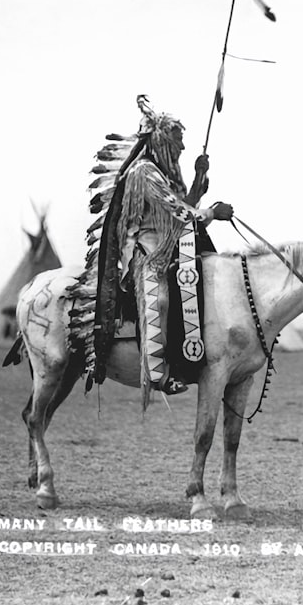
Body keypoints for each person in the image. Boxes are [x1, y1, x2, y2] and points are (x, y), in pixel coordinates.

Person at [116, 98, 234, 395]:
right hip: (147, 249)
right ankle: (158, 373)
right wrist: (213, 214)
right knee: (161, 299)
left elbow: (185, 206)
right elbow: (177, 211)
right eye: (178, 141)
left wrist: (198, 177)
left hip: (172, 243)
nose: (182, 148)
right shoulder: (144, 172)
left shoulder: (164, 173)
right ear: (163, 140)